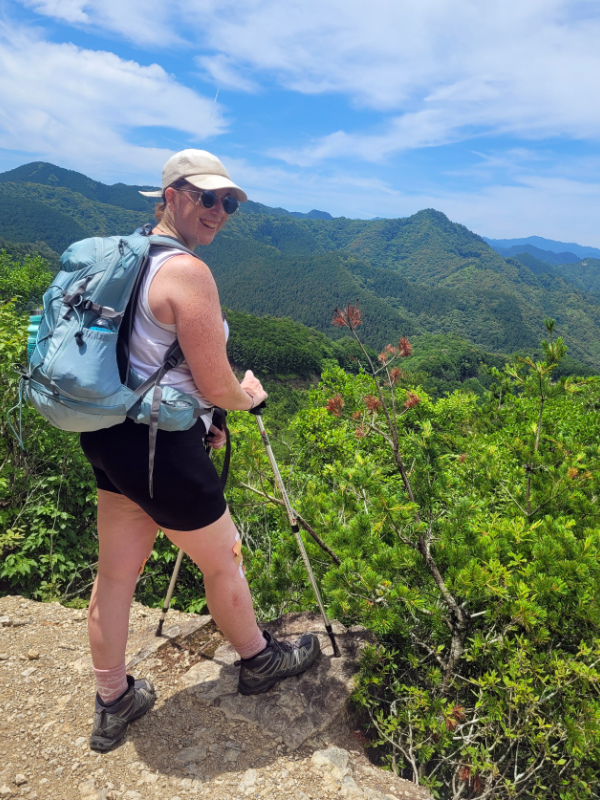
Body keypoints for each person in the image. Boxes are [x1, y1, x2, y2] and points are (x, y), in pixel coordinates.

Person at [79, 149, 320, 753]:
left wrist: (203, 416)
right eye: (207, 197)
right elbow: (217, 383)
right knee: (224, 557)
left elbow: (149, 361)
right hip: (161, 450)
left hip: (110, 436)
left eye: (229, 202)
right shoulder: (187, 271)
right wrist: (246, 399)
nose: (220, 210)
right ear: (172, 195)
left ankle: (114, 700)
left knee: (115, 575)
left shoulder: (129, 255)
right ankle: (259, 660)